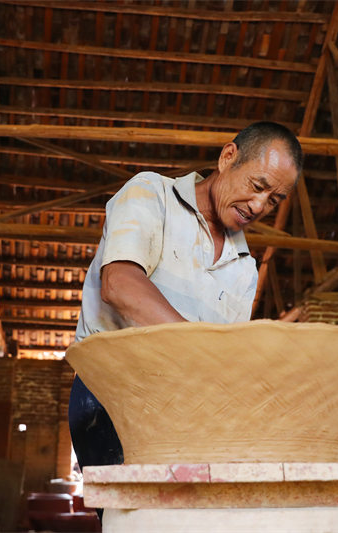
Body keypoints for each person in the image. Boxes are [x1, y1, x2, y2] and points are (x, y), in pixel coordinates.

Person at [68, 121, 303, 473]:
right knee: (134, 523)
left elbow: (227, 358)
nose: (258, 206)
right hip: (111, 394)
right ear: (228, 157)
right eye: (257, 186)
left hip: (185, 408)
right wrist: (201, 349)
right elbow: (119, 284)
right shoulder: (152, 194)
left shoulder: (244, 268)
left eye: (273, 200)